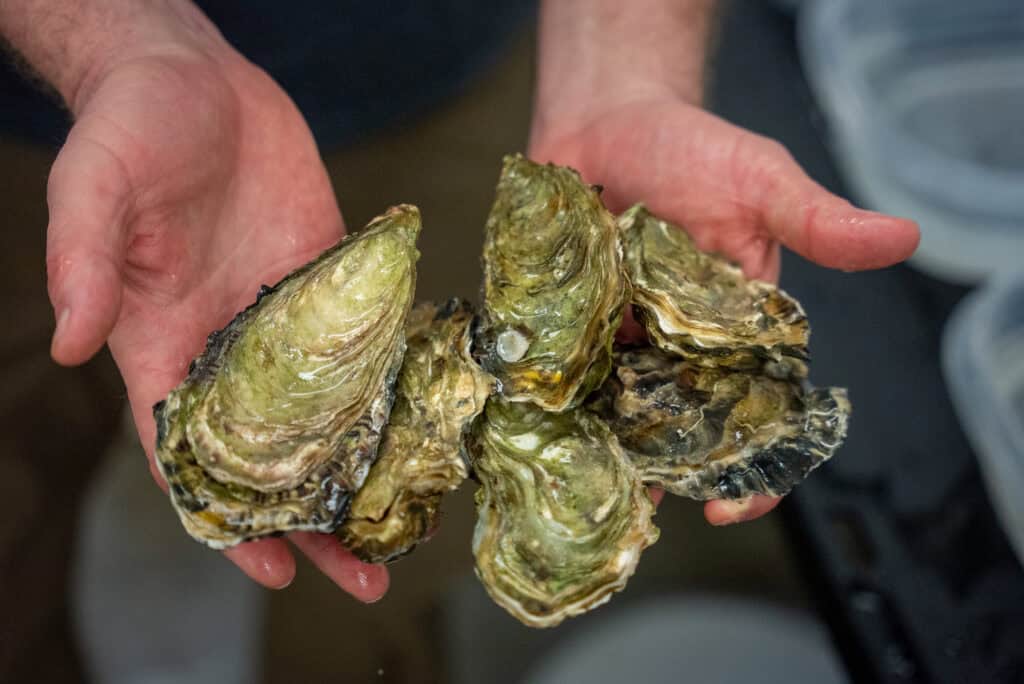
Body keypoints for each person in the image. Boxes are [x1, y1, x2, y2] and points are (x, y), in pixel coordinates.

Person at [0, 0, 919, 604]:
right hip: (64, 116)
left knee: (384, 575)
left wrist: (625, 66)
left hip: (463, 69)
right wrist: (111, 38)